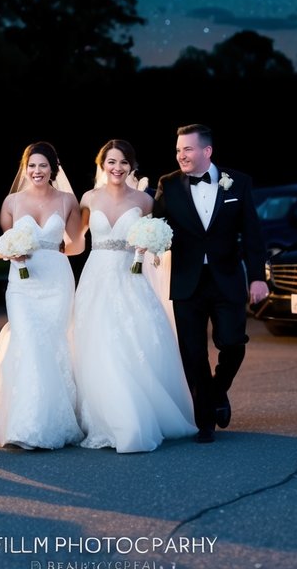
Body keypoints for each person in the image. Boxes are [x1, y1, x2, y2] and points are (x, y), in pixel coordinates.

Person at [73, 139, 196, 453]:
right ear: (102, 165)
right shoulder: (88, 198)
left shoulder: (145, 200)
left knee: (133, 341)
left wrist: (152, 246)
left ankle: (136, 416)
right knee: (98, 343)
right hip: (96, 277)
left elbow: (160, 240)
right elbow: (74, 241)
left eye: (123, 163)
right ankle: (105, 416)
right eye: (111, 162)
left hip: (132, 276)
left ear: (132, 166)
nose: (117, 168)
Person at [151, 124, 267, 444]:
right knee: (193, 352)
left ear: (207, 151)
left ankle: (217, 391)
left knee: (233, 343)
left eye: (187, 149)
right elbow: (156, 226)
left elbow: (254, 235)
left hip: (227, 279)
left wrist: (258, 277)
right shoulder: (168, 184)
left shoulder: (238, 183)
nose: (181, 156)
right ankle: (205, 421)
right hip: (187, 282)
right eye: (178, 150)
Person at [0, 141, 85, 450]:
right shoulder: (11, 202)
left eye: (43, 165)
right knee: (27, 338)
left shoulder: (67, 200)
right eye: (31, 165)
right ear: (25, 169)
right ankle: (23, 421)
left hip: (57, 280)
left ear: (52, 169)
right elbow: (3, 243)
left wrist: (55, 248)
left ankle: (50, 419)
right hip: (22, 283)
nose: (37, 171)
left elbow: (76, 245)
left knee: (52, 342)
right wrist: (12, 253)